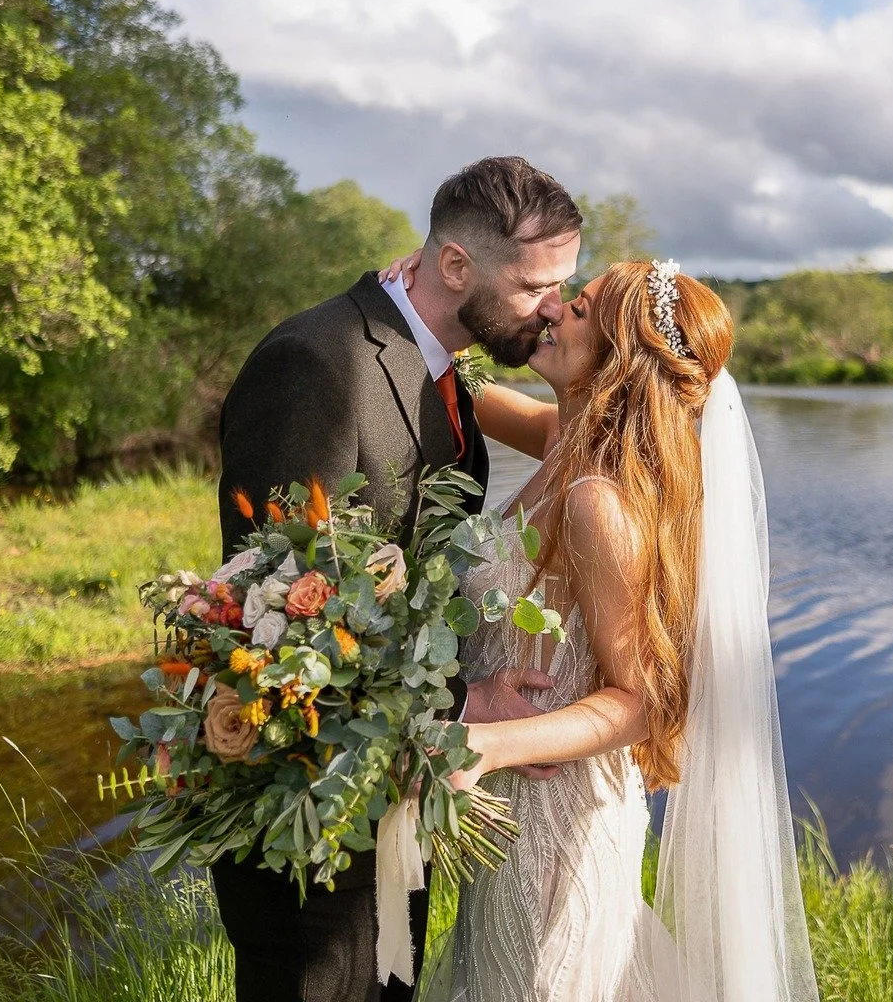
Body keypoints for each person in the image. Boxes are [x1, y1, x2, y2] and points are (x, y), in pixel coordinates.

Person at [385, 252, 820, 1002]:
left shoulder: (600, 502)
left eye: (577, 309)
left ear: (618, 359)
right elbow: (454, 384)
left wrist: (486, 742)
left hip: (558, 815)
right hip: (518, 806)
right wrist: (410, 298)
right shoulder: (564, 437)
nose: (551, 309)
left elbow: (643, 701)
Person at [211, 156, 583, 1002]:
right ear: (456, 266)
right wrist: (460, 708)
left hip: (391, 789)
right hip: (311, 806)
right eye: (536, 286)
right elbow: (283, 608)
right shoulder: (316, 362)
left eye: (566, 284)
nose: (554, 305)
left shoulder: (443, 365)